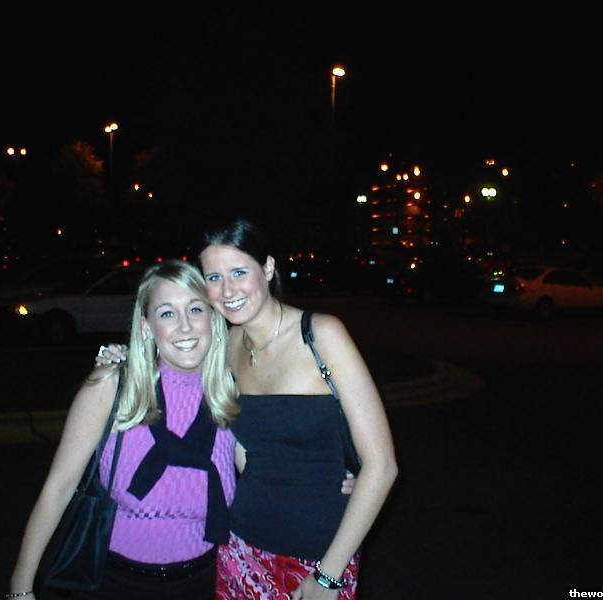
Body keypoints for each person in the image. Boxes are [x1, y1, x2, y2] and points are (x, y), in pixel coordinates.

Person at [99, 218, 398, 599]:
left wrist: (329, 575)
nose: (228, 290)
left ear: (268, 268)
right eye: (214, 277)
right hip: (239, 547)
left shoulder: (321, 335)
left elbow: (382, 467)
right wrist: (119, 357)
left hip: (320, 555)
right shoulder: (224, 346)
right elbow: (170, 363)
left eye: (239, 272)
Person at [8, 259, 239, 600]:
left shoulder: (231, 396)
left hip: (204, 582)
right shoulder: (113, 386)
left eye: (195, 309)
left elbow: (268, 476)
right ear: (146, 327)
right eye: (167, 313)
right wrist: (21, 587)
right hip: (116, 583)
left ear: (213, 318)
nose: (185, 326)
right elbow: (58, 488)